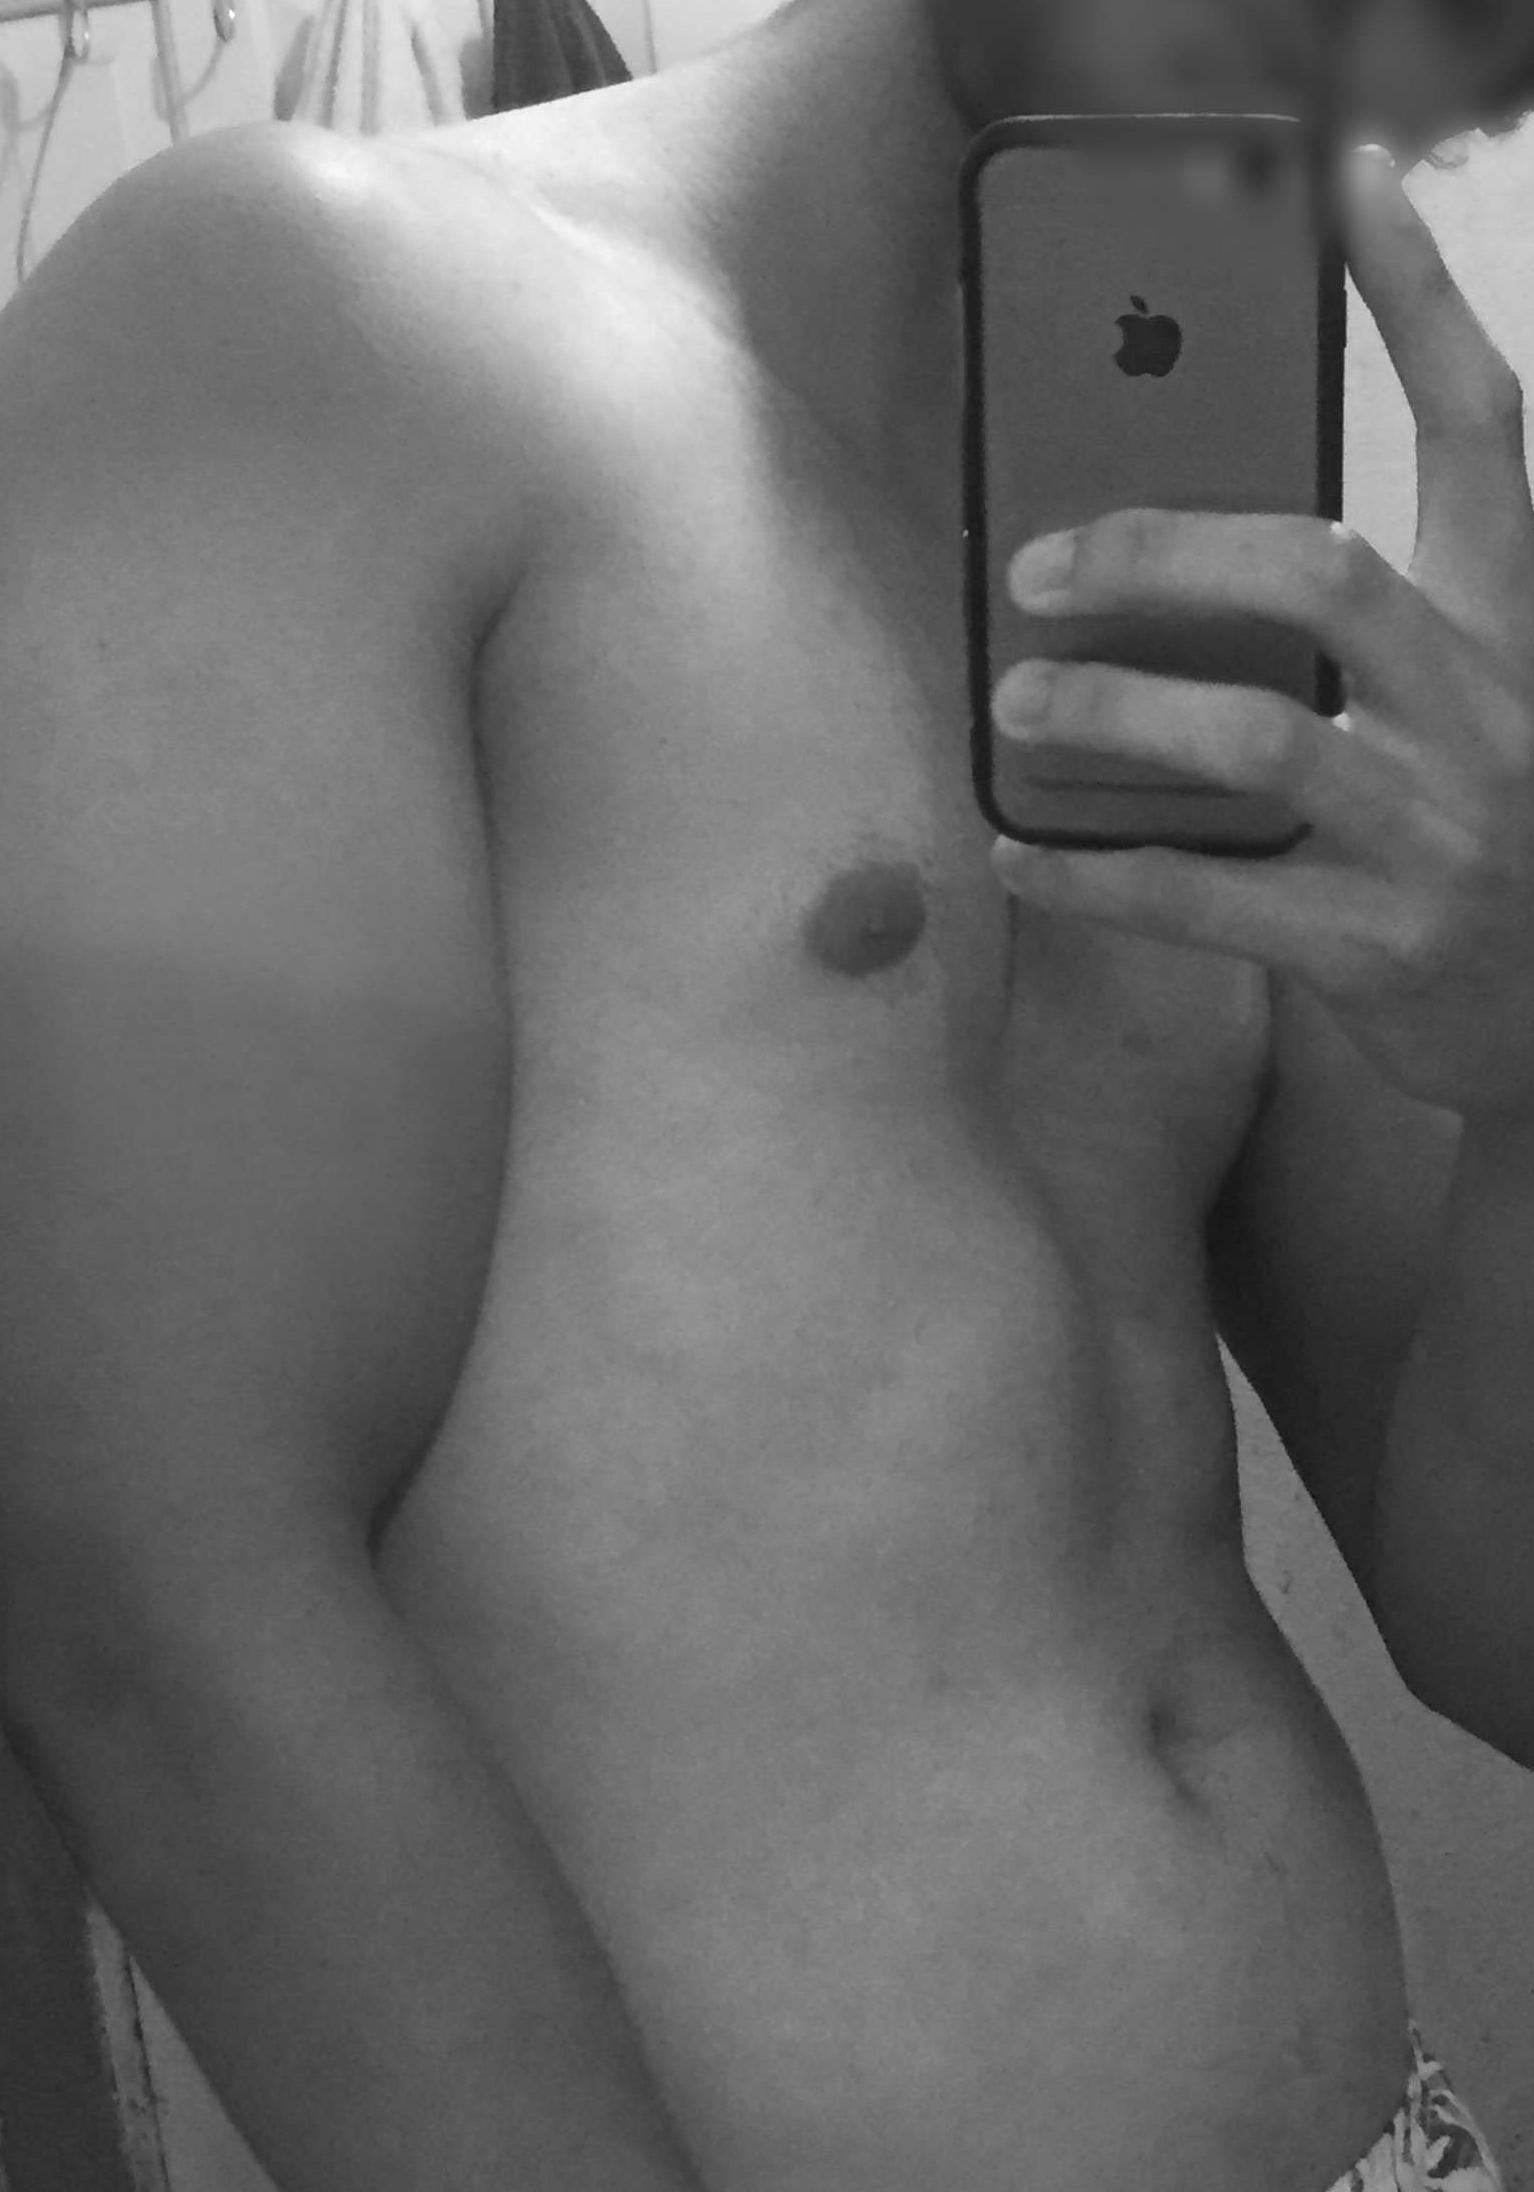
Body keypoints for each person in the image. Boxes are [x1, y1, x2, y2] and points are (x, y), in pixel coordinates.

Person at [0, 1, 1532, 2188]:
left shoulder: (1212, 584)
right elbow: (154, 1594)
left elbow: (1495, 1634)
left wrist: (1519, 1063)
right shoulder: (313, 316)